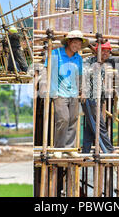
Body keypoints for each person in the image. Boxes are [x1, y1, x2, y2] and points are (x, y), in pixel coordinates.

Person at [45, 30, 87, 158]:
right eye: (74, 42)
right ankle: (58, 147)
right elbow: (47, 71)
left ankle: (69, 147)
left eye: (79, 44)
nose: (77, 46)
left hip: (73, 93)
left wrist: (82, 90)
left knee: (73, 119)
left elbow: (79, 76)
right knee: (63, 119)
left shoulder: (78, 58)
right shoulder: (55, 54)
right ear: (68, 42)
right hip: (59, 93)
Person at [81, 41, 119, 154]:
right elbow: (84, 76)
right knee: (99, 125)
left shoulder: (102, 64)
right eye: (103, 51)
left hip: (97, 99)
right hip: (89, 98)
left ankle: (86, 151)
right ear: (97, 51)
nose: (106, 53)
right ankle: (109, 150)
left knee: (90, 126)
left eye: (108, 51)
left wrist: (111, 91)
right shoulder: (89, 62)